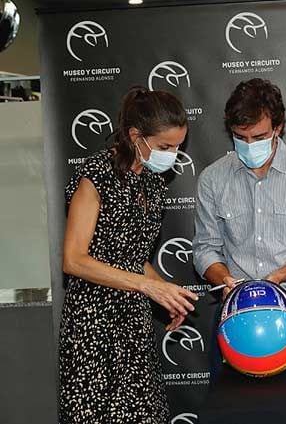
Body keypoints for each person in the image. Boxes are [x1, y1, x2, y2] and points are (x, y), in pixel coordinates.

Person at [60, 87, 199, 423]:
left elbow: (134, 257)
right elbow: (74, 260)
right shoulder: (96, 176)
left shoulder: (153, 184)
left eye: (178, 148)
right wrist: (146, 287)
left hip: (133, 322)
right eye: (165, 147)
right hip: (92, 321)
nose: (172, 155)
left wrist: (166, 294)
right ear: (136, 135)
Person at [193, 78, 286, 370]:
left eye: (258, 137)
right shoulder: (212, 178)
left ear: (278, 128)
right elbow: (205, 249)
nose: (249, 146)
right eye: (240, 137)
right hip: (236, 315)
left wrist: (277, 279)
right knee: (233, 412)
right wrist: (225, 280)